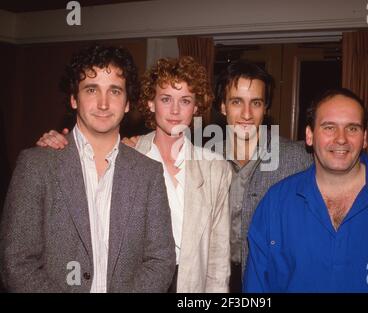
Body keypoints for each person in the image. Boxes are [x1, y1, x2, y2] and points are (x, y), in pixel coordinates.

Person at [213, 60, 368, 292]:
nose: (247, 114)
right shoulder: (205, 159)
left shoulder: (296, 154)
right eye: (237, 102)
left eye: (256, 103)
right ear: (223, 106)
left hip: (267, 273)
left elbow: (346, 162)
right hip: (220, 277)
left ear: (266, 108)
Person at [35, 56, 231, 293]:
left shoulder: (215, 168)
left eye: (186, 100)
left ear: (196, 107)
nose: (176, 110)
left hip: (191, 286)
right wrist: (57, 143)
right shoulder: (125, 154)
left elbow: (218, 258)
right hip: (136, 283)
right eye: (166, 99)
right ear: (150, 103)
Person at [0, 44, 176, 292]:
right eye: (91, 89)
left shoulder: (149, 173)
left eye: (115, 91)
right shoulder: (36, 165)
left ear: (127, 103)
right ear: (74, 99)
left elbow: (160, 260)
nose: (103, 104)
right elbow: (16, 264)